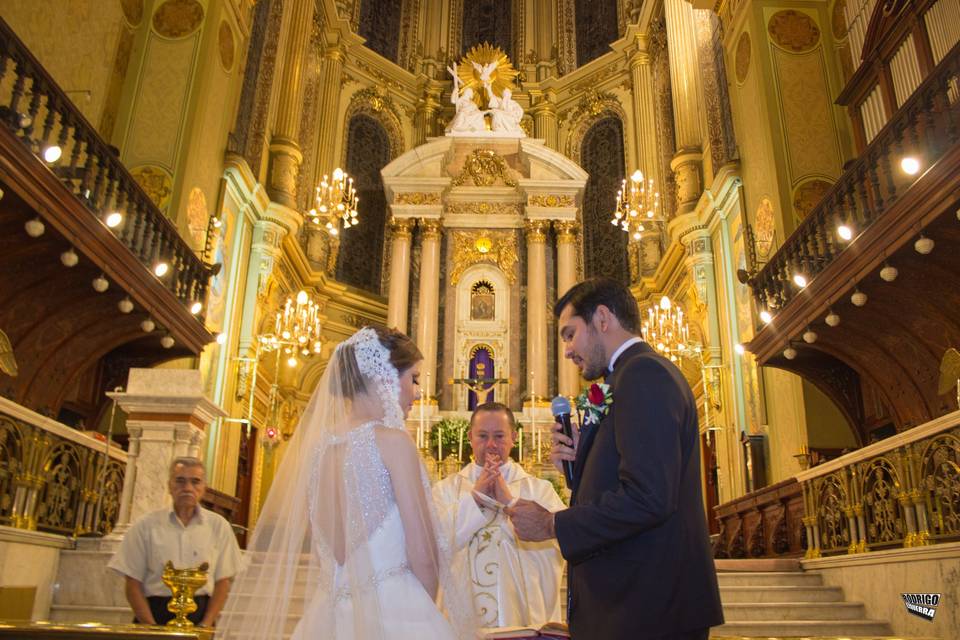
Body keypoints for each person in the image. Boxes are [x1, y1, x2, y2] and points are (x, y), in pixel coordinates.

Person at [216, 326, 476, 639]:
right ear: (385, 377)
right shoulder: (394, 443)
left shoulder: (318, 451)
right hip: (398, 613)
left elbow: (321, 538)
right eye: (414, 378)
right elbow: (422, 551)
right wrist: (424, 613)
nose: (418, 392)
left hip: (327, 617)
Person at [506, 278, 723, 640]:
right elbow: (631, 480)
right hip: (635, 605)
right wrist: (582, 465)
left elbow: (648, 496)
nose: (567, 350)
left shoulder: (644, 375)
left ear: (602, 318)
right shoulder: (624, 379)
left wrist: (551, 525)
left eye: (570, 334)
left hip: (646, 609)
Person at [432, 402, 565, 629]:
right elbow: (432, 543)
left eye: (499, 436)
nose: (491, 444)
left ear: (514, 436)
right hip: (461, 622)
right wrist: (474, 498)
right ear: (470, 437)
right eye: (482, 436)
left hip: (519, 618)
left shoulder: (539, 490)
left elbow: (563, 542)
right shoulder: (446, 490)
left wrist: (509, 502)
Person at [108, 457, 241, 627]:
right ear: (170, 485)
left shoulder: (219, 527)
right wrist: (150, 628)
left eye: (195, 482)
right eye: (180, 481)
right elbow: (132, 582)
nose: (187, 488)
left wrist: (206, 625)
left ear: (204, 488)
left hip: (200, 617)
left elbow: (223, 582)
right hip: (154, 615)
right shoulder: (145, 526)